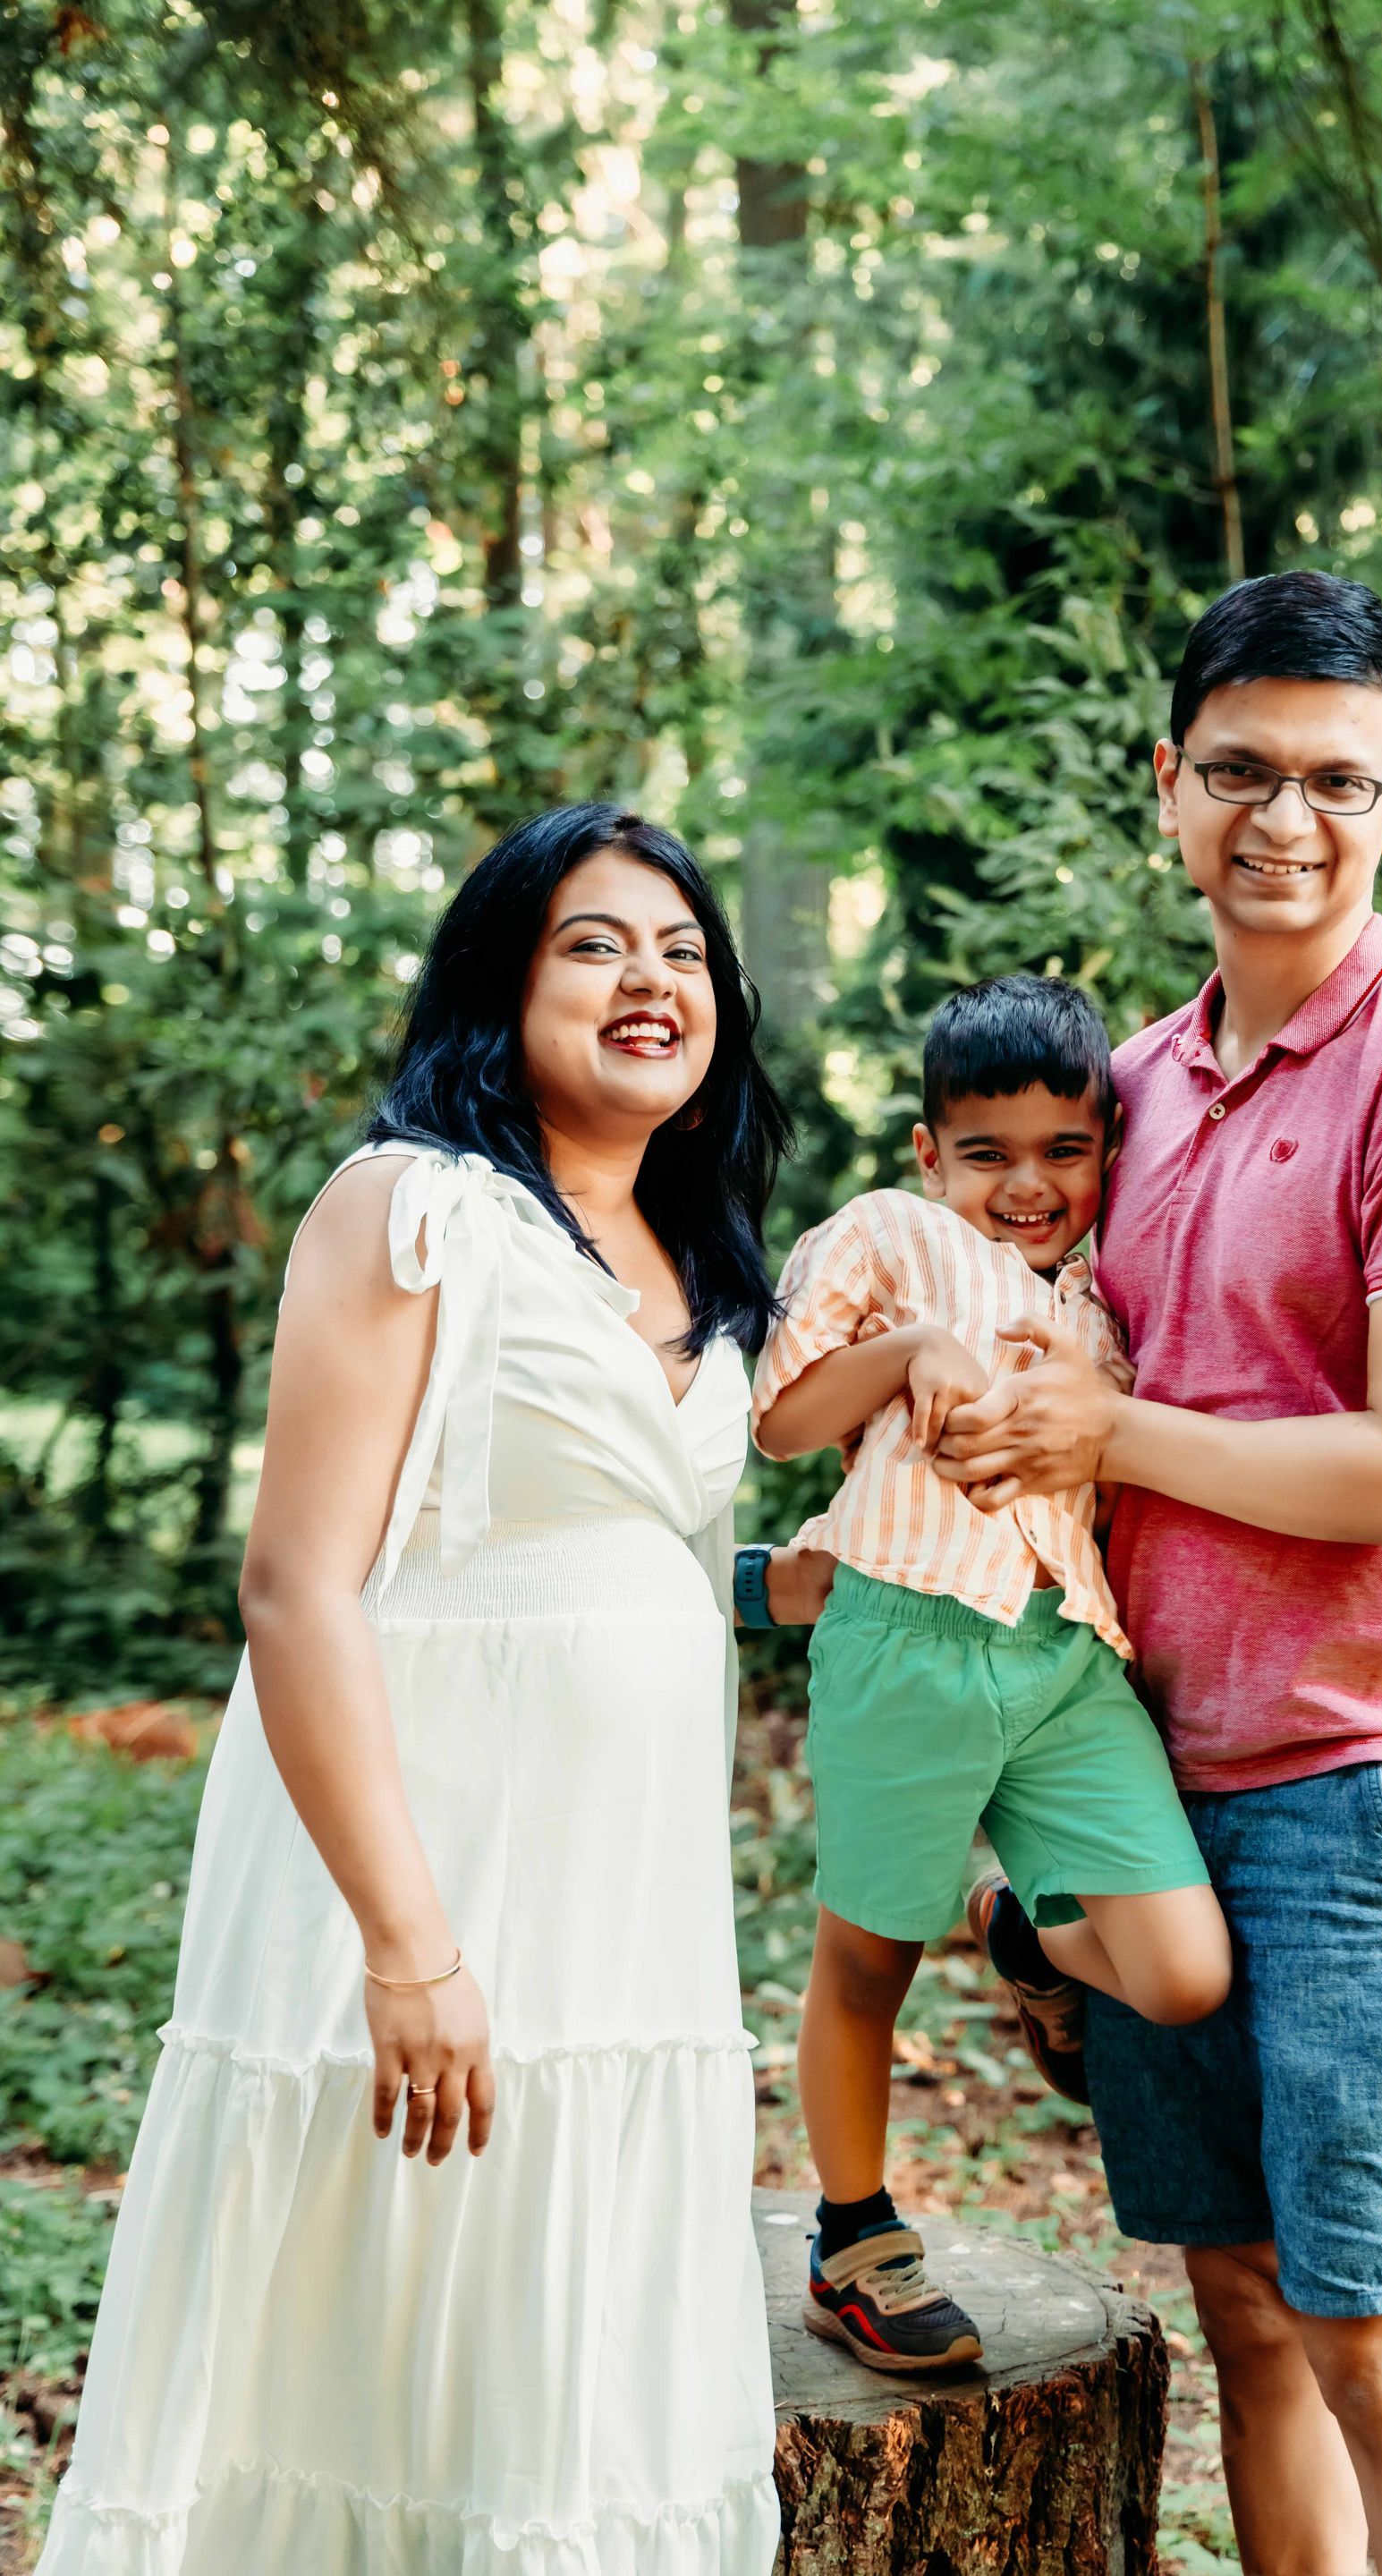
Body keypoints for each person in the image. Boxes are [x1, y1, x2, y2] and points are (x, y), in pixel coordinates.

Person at [40, 806, 791, 2576]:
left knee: (574, 2364)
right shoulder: (414, 1211)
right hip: (431, 1880)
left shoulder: (706, 1251)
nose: (650, 981)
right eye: (594, 943)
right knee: (385, 2339)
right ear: (498, 984)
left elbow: (610, 1546)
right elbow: (300, 1587)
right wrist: (410, 1945)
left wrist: (783, 1581)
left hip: (631, 1921)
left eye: (684, 953)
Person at [936, 572, 1382, 2576]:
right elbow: (1042, 1471)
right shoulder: (1133, 1089)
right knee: (1248, 2323)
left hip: (1359, 1786)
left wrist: (1112, 1436)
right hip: (1143, 1783)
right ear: (1169, 785)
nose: (1283, 819)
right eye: (1240, 772)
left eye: (1334, 781)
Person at [750, 976, 1230, 2374]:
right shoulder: (886, 1237)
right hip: (907, 1639)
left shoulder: (1102, 1305)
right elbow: (782, 1425)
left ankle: (1019, 1931)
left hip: (1065, 1659)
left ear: (1104, 1151)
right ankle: (854, 2238)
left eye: (1064, 1152)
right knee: (865, 1962)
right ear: (929, 1152)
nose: (1028, 1186)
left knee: (1186, 1973)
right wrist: (908, 1350)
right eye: (988, 1154)